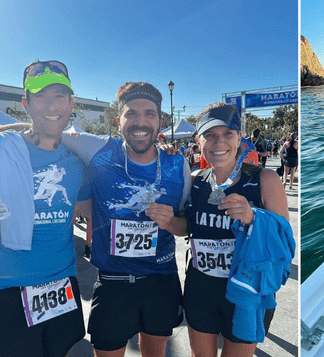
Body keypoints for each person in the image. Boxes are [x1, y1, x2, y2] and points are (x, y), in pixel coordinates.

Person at [60, 82, 191, 357]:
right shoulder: (97, 148)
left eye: (149, 114)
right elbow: (42, 131)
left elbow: (185, 226)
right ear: (118, 121)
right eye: (131, 114)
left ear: (160, 121)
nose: (140, 121)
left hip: (161, 280)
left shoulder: (178, 163)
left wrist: (170, 223)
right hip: (113, 282)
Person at [175, 103, 292, 357]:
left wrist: (254, 218)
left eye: (228, 134)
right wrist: (165, 221)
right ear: (199, 141)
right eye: (210, 135)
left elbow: (286, 244)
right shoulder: (195, 180)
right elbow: (187, 227)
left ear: (240, 137)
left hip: (246, 291)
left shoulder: (265, 180)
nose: (219, 142)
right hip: (201, 286)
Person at [0, 60, 90, 357]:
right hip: (10, 287)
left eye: (59, 96)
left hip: (62, 283)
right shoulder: (5, 152)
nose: (51, 105)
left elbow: (92, 214)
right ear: (26, 104)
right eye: (40, 96)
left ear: (71, 103)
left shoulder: (78, 161)